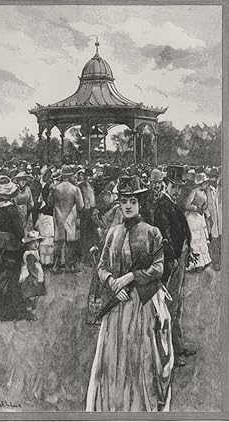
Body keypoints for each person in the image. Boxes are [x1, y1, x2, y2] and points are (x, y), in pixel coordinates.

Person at [86, 175, 173, 412]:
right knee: (113, 358)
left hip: (141, 303)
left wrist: (131, 277)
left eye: (132, 201)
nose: (127, 206)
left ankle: (139, 408)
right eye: (124, 201)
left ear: (140, 203)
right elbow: (102, 266)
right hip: (116, 306)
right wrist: (113, 283)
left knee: (140, 357)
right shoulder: (113, 233)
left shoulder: (151, 232)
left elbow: (158, 268)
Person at [154, 165, 195, 367]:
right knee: (169, 307)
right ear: (166, 185)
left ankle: (178, 346)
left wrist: (189, 248)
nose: (177, 190)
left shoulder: (173, 204)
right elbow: (164, 237)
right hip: (172, 262)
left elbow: (182, 231)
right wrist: (173, 258)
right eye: (174, 186)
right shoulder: (162, 205)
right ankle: (169, 353)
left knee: (177, 306)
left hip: (181, 257)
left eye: (179, 187)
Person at [0, 175, 33, 321]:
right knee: (13, 276)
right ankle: (12, 308)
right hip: (12, 245)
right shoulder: (12, 210)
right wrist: (25, 241)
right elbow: (19, 231)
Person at [49, 165, 84, 274]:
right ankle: (70, 267)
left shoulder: (55, 188)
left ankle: (56, 266)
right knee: (70, 243)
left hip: (59, 217)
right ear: (70, 176)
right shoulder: (75, 189)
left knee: (58, 243)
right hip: (70, 218)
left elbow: (50, 203)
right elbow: (81, 206)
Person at [182, 172, 212, 272]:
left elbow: (205, 204)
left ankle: (202, 262)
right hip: (192, 217)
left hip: (200, 217)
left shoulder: (204, 192)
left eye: (207, 182)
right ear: (200, 182)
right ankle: (195, 263)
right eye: (205, 182)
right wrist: (197, 208)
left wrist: (204, 209)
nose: (206, 184)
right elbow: (186, 205)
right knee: (194, 239)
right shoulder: (194, 191)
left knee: (201, 239)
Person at [19, 230, 46, 320]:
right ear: (27, 244)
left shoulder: (34, 252)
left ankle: (30, 311)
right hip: (30, 277)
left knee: (34, 295)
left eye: (37, 242)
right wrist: (35, 277)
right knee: (31, 295)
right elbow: (30, 267)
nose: (36, 245)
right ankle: (28, 312)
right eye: (33, 243)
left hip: (34, 276)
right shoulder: (29, 254)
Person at [78, 168, 97, 265]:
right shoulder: (80, 186)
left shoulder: (92, 186)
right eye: (87, 176)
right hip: (84, 212)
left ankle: (88, 257)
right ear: (85, 176)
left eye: (91, 176)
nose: (89, 178)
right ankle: (84, 257)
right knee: (84, 235)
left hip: (90, 212)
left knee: (90, 235)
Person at [206, 167, 221, 271]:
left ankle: (219, 261)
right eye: (210, 177)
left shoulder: (218, 190)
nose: (212, 179)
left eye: (214, 177)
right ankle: (215, 262)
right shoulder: (208, 189)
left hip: (220, 220)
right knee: (214, 242)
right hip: (211, 219)